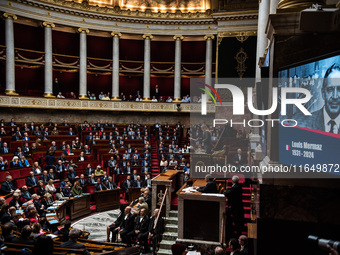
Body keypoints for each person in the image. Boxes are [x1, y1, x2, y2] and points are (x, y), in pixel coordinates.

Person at [295, 64, 340, 132]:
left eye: (339, 89)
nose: (335, 96)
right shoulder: (303, 124)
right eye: (330, 89)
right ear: (323, 93)